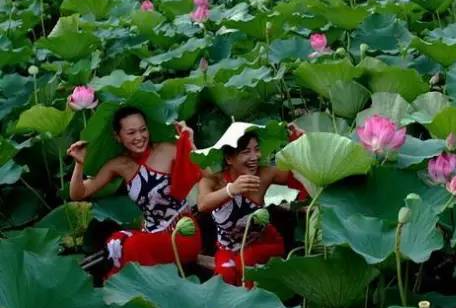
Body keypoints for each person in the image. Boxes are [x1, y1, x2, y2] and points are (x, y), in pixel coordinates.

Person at [67, 106, 202, 277]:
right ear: (118, 136)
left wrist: (191, 144)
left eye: (143, 130)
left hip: (181, 233)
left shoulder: (167, 150)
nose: (139, 137)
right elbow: (78, 193)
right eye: (131, 133)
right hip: (150, 234)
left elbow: (208, 174)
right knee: (115, 241)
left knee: (132, 246)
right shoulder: (119, 165)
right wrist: (79, 164)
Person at [197, 123, 305, 287]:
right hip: (227, 249)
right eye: (246, 152)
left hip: (264, 243)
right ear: (229, 158)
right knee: (225, 272)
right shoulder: (214, 181)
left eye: (257, 149)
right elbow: (202, 205)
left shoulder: (264, 174)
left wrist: (300, 142)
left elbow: (296, 174)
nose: (254, 157)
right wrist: (232, 189)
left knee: (245, 264)